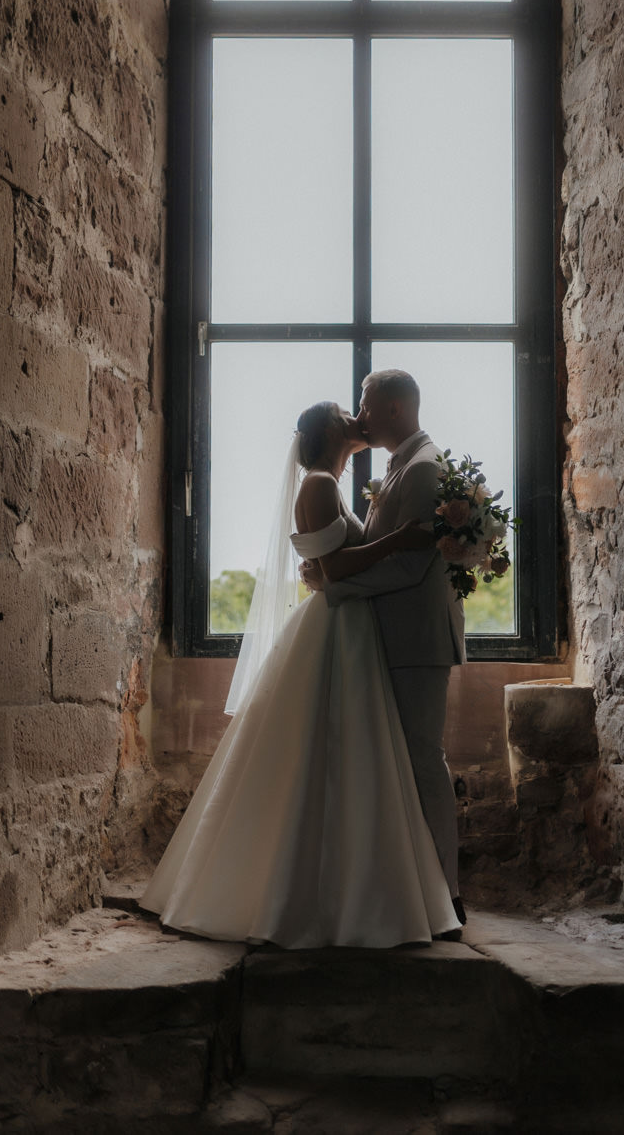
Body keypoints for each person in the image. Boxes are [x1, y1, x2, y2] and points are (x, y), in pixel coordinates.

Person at [139, 400, 460, 948]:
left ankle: (363, 885)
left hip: (350, 623)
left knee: (355, 755)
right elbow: (334, 569)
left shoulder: (331, 481)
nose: (357, 415)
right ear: (328, 430)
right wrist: (401, 539)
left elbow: (329, 566)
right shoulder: (317, 483)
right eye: (345, 411)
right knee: (330, 751)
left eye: (364, 406)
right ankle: (317, 893)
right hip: (338, 624)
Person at [303, 370, 467, 925]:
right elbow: (379, 549)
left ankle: (447, 894)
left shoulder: (423, 469)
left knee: (423, 761)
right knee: (398, 763)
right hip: (388, 636)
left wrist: (334, 583)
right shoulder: (399, 466)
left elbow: (408, 563)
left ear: (394, 408)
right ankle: (407, 888)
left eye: (367, 405)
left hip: (415, 639)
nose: (360, 415)